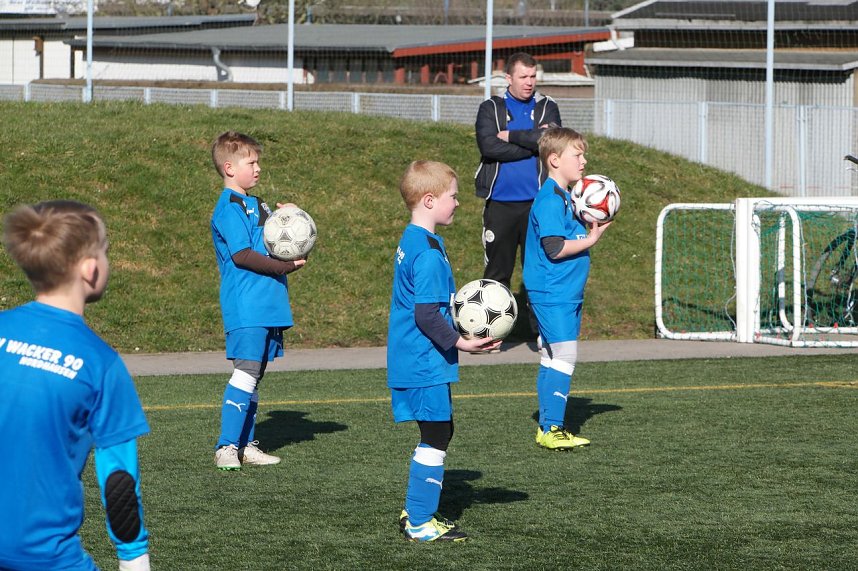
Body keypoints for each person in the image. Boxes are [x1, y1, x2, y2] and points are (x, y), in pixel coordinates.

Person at [0, 200, 152, 570]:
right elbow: (119, 483)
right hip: (46, 559)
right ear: (90, 268)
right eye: (106, 251)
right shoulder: (101, 363)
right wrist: (134, 561)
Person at [387, 160, 500, 542]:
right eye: (453, 197)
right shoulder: (429, 254)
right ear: (430, 200)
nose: (457, 203)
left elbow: (431, 309)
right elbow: (425, 315)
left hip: (419, 358)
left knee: (440, 429)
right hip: (424, 361)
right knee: (437, 433)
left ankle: (415, 509)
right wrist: (462, 341)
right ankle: (419, 521)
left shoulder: (416, 239)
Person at [210, 131, 306, 470]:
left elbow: (278, 236)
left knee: (255, 375)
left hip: (269, 303)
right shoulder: (228, 207)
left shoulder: (259, 203)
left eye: (258, 161)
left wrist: (291, 216)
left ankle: (246, 444)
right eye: (251, 162)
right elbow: (242, 255)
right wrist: (284, 266)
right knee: (246, 372)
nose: (258, 168)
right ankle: (225, 447)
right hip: (246, 304)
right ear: (229, 167)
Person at [523, 128, 611, 451]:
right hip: (552, 291)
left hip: (565, 292)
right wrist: (590, 240)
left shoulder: (564, 197)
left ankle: (548, 427)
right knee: (565, 355)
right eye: (578, 155)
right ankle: (554, 429)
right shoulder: (549, 198)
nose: (584, 161)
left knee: (551, 355)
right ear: (555, 160)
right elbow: (554, 248)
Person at [474, 52, 562, 298]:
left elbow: (551, 141)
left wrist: (510, 135)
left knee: (538, 272)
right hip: (500, 206)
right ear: (508, 78)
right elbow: (489, 147)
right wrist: (533, 145)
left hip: (537, 205)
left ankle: (541, 334)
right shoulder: (490, 108)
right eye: (523, 76)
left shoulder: (547, 106)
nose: (529, 82)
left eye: (533, 76)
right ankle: (493, 333)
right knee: (497, 274)